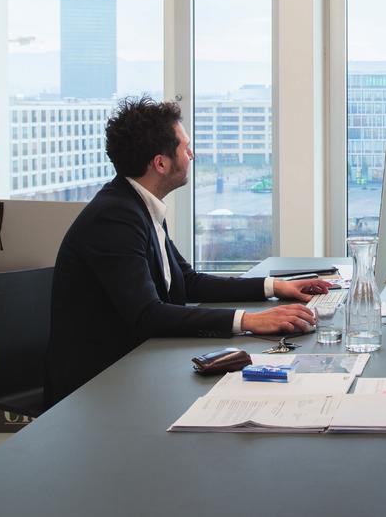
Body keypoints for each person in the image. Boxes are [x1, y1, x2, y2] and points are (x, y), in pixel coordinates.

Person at [46, 96, 331, 405]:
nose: (192, 154)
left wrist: (275, 287)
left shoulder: (137, 205)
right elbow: (148, 314)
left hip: (139, 366)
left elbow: (188, 280)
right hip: (98, 389)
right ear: (160, 163)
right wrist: (250, 320)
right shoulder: (115, 217)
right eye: (185, 147)